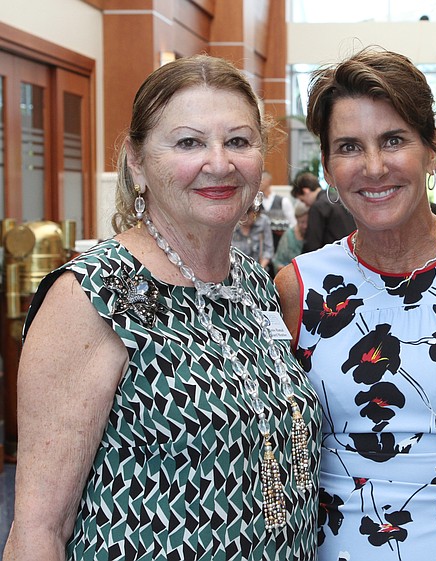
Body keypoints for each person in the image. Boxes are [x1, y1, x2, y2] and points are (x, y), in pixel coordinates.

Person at [3, 55, 321, 561]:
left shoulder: (251, 283)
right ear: (136, 161)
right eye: (189, 142)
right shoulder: (93, 295)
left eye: (238, 141)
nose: (219, 163)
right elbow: (39, 529)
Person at [275, 47, 436, 561]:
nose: (373, 167)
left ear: (433, 149)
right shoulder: (299, 287)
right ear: (327, 165)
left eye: (393, 140)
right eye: (349, 147)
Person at [291, 171, 355, 253]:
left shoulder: (317, 207)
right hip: (350, 252)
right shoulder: (337, 198)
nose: (306, 205)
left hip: (331, 256)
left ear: (306, 191)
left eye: (303, 200)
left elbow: (312, 243)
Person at [259, 170, 297, 247]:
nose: (258, 183)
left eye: (261, 180)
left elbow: (293, 224)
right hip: (262, 245)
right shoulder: (256, 203)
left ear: (268, 181)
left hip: (281, 243)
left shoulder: (283, 201)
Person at [231, 205, 274, 271]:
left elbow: (268, 250)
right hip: (236, 269)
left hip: (258, 267)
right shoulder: (233, 224)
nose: (254, 218)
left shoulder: (263, 222)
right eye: (252, 216)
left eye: (256, 215)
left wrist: (260, 268)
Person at [272, 200, 310, 273]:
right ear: (297, 219)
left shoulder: (314, 235)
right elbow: (278, 261)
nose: (305, 226)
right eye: (302, 222)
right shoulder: (289, 235)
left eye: (308, 222)